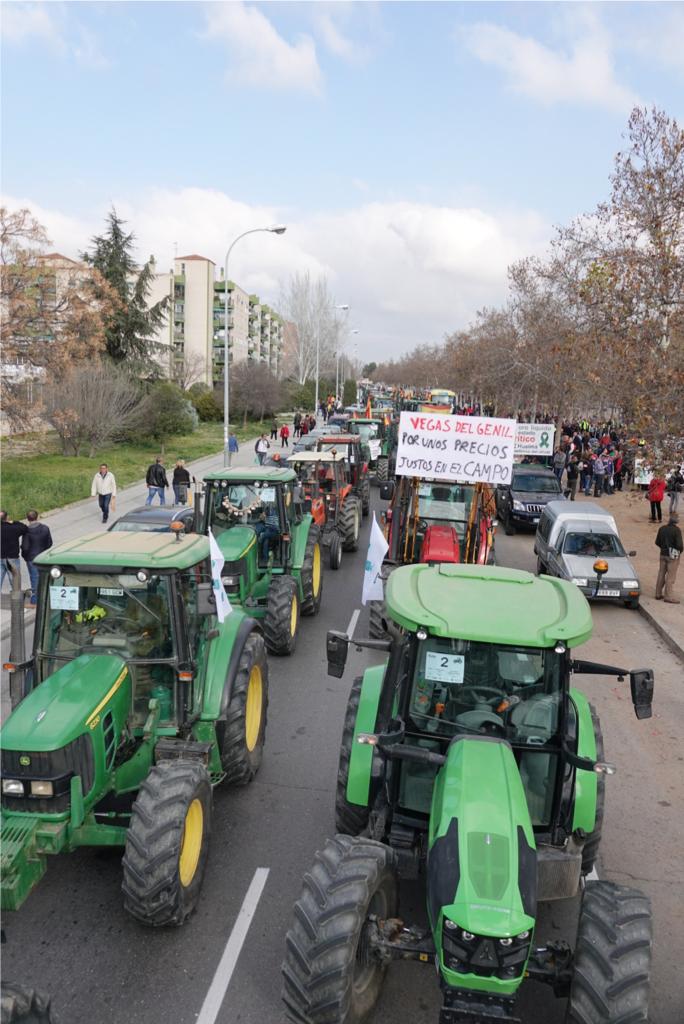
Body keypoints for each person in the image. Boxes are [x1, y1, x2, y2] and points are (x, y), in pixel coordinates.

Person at [21, 510, 53, 606]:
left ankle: (35, 600)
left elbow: (25, 547)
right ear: (37, 517)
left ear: (27, 518)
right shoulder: (45, 528)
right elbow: (49, 543)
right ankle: (46, 598)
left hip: (31, 558)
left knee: (34, 578)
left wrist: (25, 556)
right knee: (45, 577)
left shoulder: (27, 531)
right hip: (43, 556)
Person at [655, 513, 682, 604]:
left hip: (663, 554)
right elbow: (679, 545)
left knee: (661, 573)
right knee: (670, 576)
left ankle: (658, 593)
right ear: (676, 521)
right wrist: (679, 551)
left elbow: (657, 542)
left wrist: (663, 548)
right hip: (673, 555)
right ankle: (668, 596)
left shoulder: (662, 528)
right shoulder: (676, 530)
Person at [1, 511, 27, 593]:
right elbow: (25, 528)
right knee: (15, 580)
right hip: (12, 557)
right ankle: (16, 597)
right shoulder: (14, 528)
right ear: (7, 517)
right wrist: (14, 522)